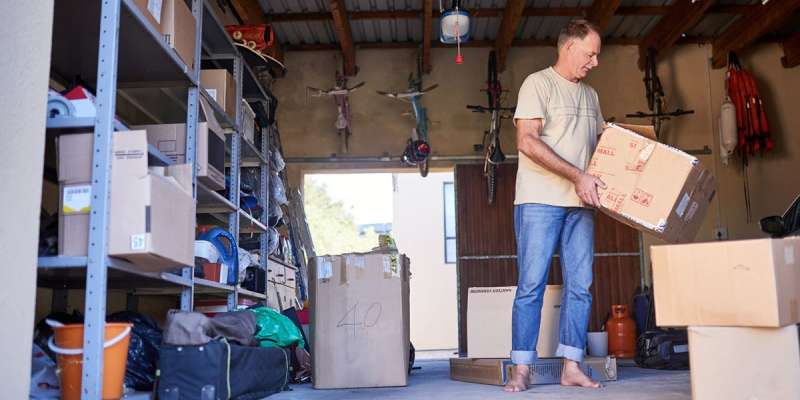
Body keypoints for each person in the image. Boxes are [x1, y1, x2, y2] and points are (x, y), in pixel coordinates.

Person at [504, 19, 606, 393]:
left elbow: (602, 147)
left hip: (581, 203)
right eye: (590, 54)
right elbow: (527, 141)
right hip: (539, 200)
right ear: (569, 48)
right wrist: (577, 175)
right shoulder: (538, 84)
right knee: (531, 285)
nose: (594, 62)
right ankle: (522, 369)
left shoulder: (591, 96)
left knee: (581, 286)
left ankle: (572, 367)